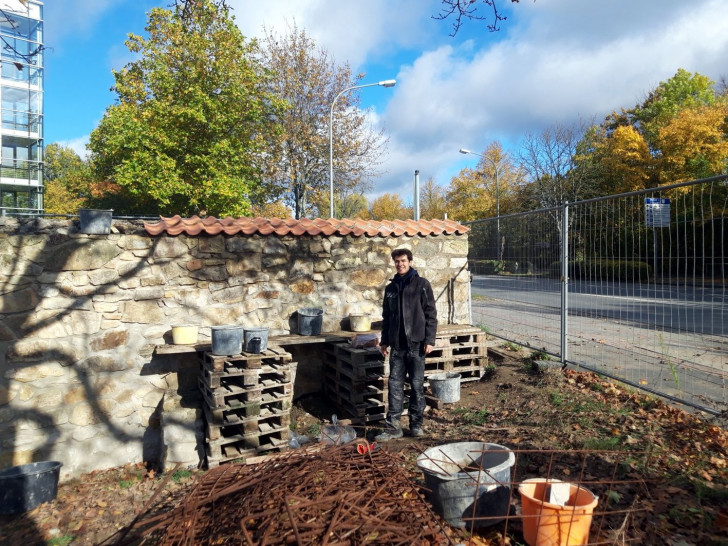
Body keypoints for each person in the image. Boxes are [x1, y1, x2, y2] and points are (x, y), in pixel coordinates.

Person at [375, 248, 437, 441]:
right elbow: (386, 317)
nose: (400, 264)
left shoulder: (421, 284)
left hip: (417, 345)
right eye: (396, 261)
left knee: (417, 385)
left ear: (410, 261)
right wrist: (385, 340)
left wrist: (430, 339)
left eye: (403, 260)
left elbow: (431, 314)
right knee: (394, 386)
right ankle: (393, 428)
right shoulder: (391, 288)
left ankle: (416, 425)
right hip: (397, 347)